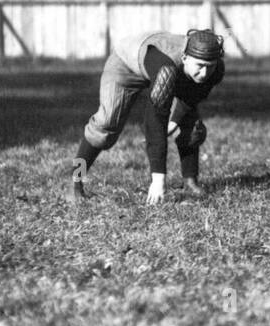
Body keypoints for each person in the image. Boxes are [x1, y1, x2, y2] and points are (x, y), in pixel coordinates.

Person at [71, 29, 225, 204]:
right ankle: (74, 182)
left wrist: (175, 121)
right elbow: (155, 123)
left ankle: (190, 182)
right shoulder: (167, 69)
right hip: (127, 65)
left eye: (209, 66)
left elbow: (190, 99)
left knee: (192, 126)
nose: (205, 73)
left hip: (168, 71)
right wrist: (158, 180)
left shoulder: (214, 67)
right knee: (104, 128)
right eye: (200, 66)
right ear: (185, 58)